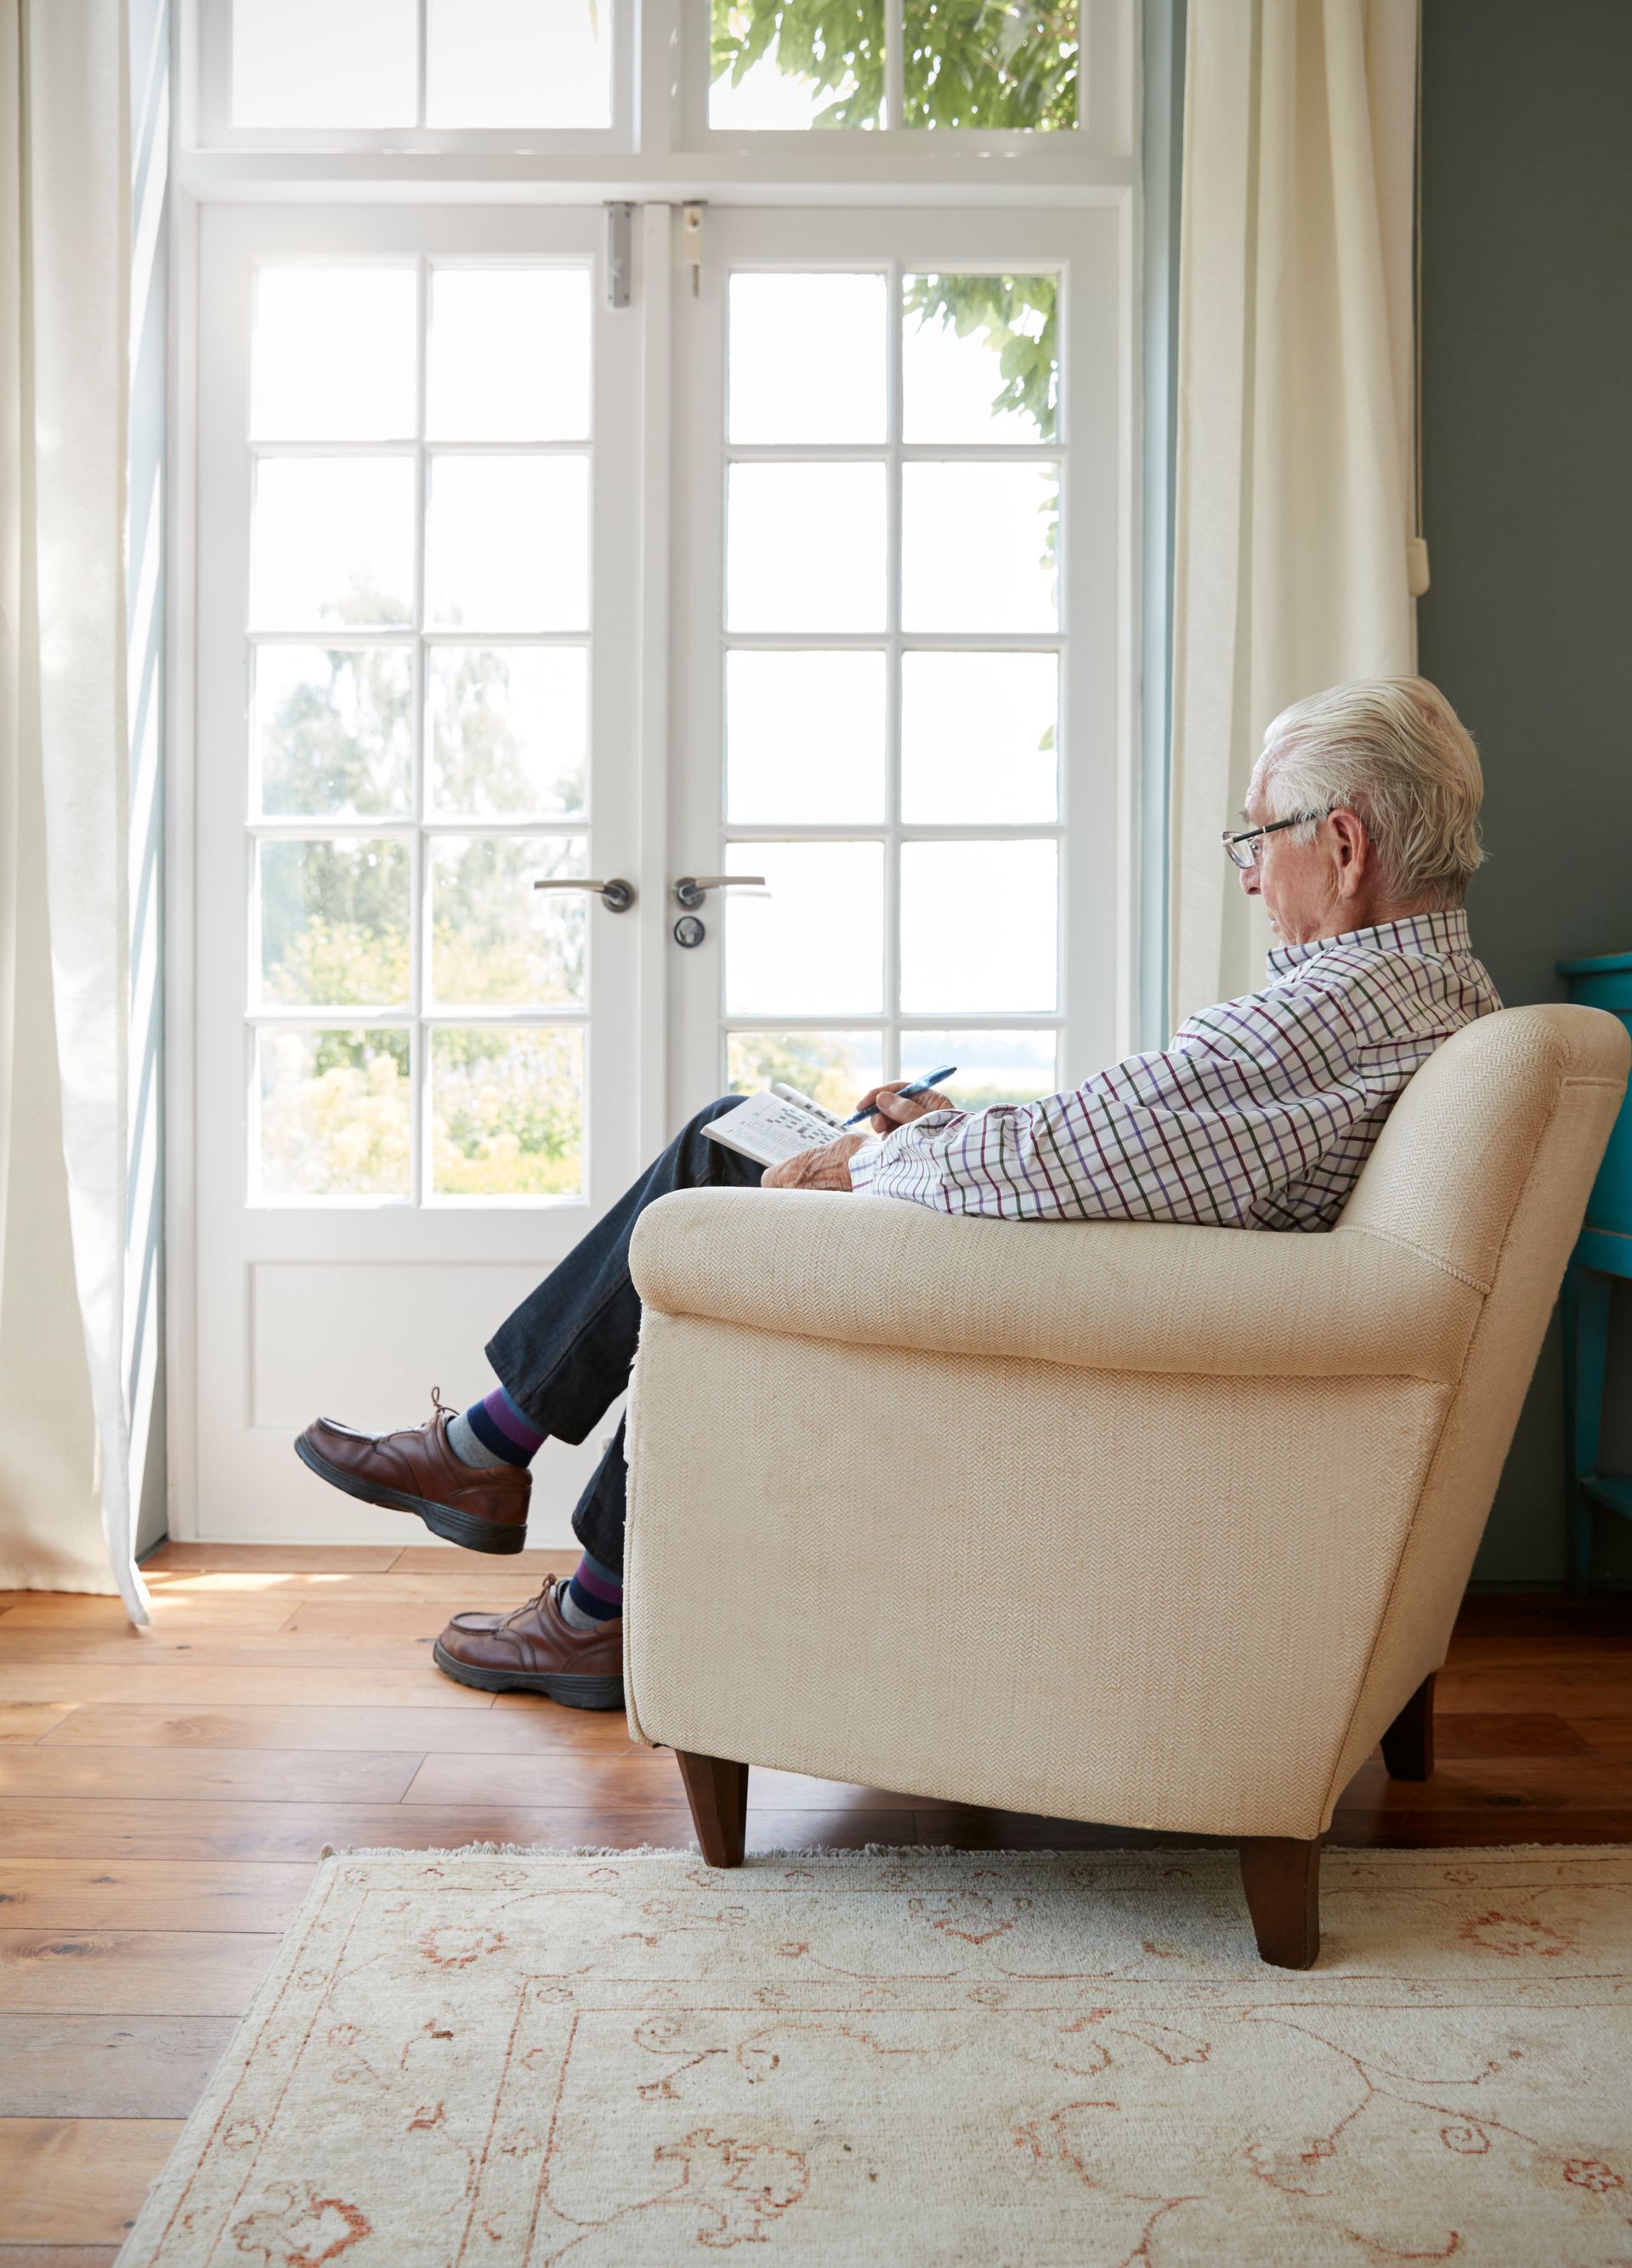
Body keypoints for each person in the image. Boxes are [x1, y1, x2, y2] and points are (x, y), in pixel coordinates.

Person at [295, 674, 1499, 1710]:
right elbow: (1125, 1143)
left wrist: (864, 1161)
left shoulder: (1328, 1011)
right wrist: (941, 1128)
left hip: (1053, 1299)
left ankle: (549, 1532)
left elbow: (1069, 1165)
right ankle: (504, 1468)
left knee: (722, 1181)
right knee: (734, 1129)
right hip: (1105, 1275)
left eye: (1258, 838)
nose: (1248, 878)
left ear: (1342, 846)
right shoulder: (1429, 997)